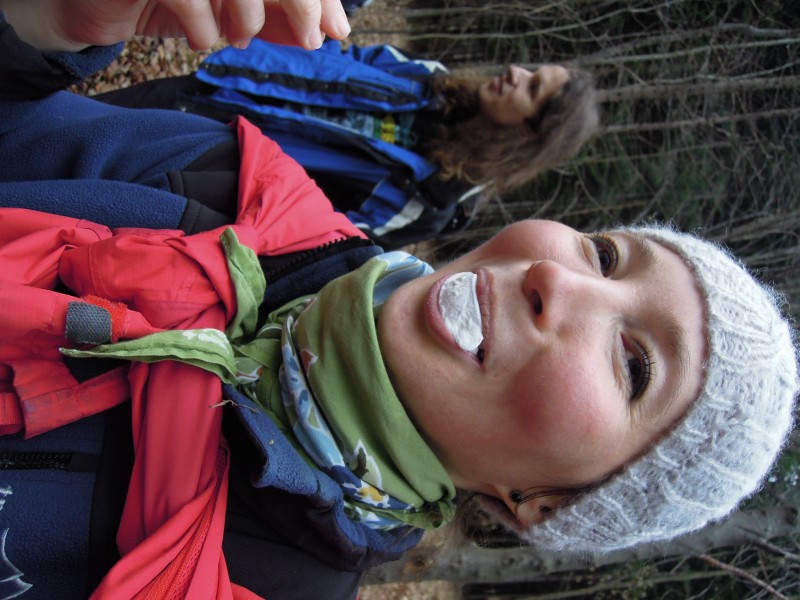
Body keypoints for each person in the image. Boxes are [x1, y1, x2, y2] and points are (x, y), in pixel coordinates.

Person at [0, 5, 797, 600]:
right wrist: (41, 25)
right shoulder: (234, 189)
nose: (557, 279)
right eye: (606, 254)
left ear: (541, 504)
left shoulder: (251, 584)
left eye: (635, 364)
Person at [92, 38, 599, 248]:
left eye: (532, 88)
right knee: (68, 118)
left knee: (77, 159)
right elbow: (342, 54)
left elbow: (320, 238)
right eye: (532, 70)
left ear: (527, 136)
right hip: (213, 89)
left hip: (203, 156)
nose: (516, 71)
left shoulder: (425, 201)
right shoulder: (430, 78)